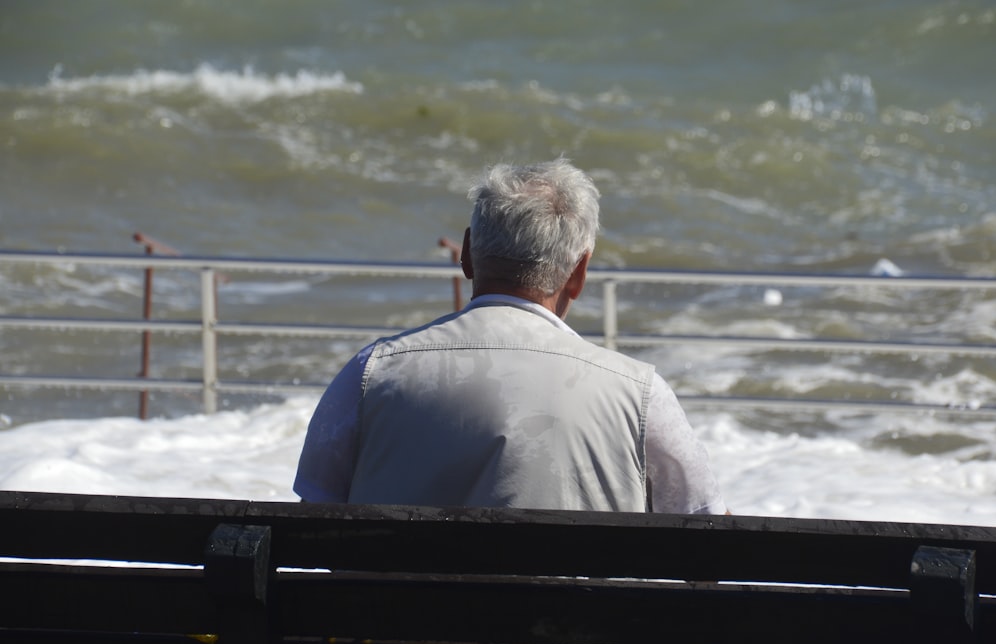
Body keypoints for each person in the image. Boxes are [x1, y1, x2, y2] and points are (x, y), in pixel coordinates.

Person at [294, 157, 726, 514]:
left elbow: (315, 513)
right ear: (578, 275)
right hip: (574, 620)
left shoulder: (371, 373)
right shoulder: (638, 396)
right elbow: (710, 537)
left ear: (467, 256)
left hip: (395, 619)